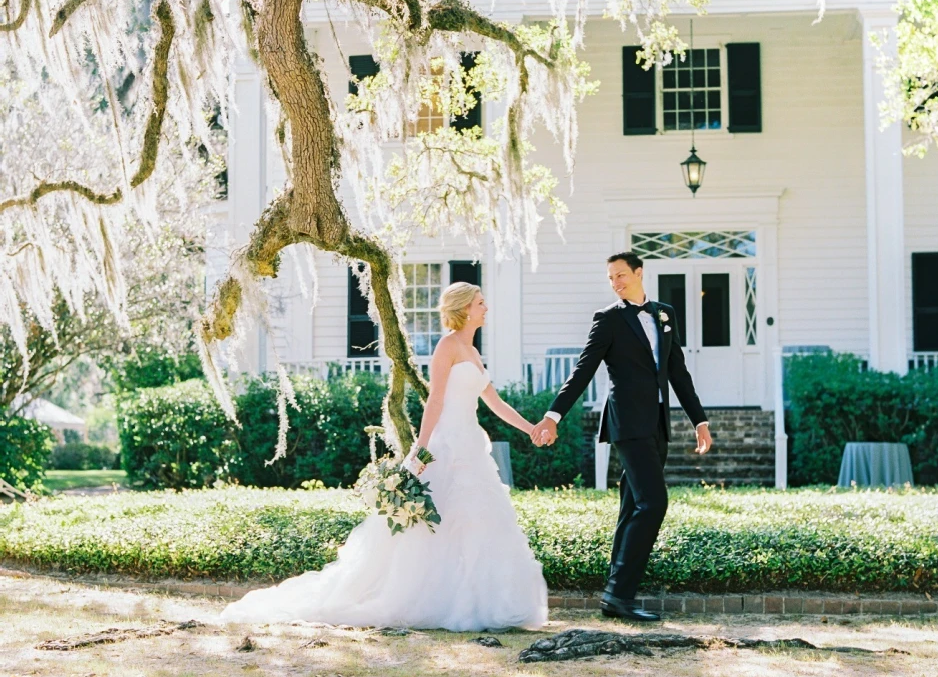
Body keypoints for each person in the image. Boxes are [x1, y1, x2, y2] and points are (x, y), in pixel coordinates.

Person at [221, 282, 548, 632]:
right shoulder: (448, 346)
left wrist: (529, 427)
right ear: (466, 308)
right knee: (431, 528)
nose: (486, 308)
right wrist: (420, 449)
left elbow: (493, 403)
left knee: (478, 523)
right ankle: (429, 599)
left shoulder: (472, 350)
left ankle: (476, 602)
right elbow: (435, 400)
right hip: (446, 447)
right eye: (481, 303)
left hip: (471, 446)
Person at [530, 252, 711, 622]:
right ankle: (621, 595)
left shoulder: (665, 314)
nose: (616, 283)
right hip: (627, 426)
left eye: (622, 275)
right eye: (611, 278)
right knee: (653, 503)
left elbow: (678, 371)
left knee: (632, 506)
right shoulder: (608, 320)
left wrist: (699, 420)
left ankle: (615, 595)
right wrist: (553, 415)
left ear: (639, 273)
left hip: (658, 425)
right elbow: (582, 370)